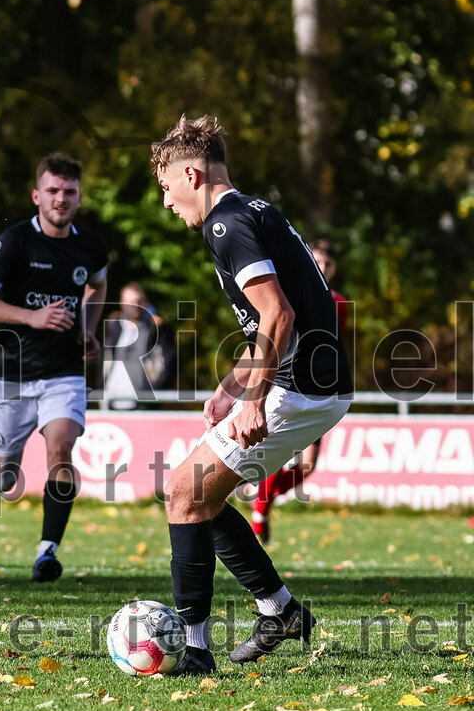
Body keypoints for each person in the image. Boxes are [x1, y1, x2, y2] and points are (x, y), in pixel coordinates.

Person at [150, 115, 352, 675]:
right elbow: (279, 321)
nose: (167, 203)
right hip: (314, 383)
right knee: (202, 495)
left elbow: (277, 315)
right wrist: (230, 388)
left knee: (183, 492)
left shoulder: (225, 224)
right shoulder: (253, 211)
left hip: (300, 388)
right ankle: (279, 611)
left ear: (191, 175)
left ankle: (194, 650)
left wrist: (255, 400)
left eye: (166, 187)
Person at [0, 153, 108, 582]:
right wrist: (31, 317)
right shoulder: (15, 241)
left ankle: (47, 552)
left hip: (64, 371)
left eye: (70, 192)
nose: (61, 199)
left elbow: (98, 283)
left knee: (61, 449)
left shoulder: (90, 246)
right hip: (13, 375)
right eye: (53, 190)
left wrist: (87, 328)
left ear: (79, 197)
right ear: (36, 195)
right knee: (5, 477)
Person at [250, 239, 349, 542]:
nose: (322, 268)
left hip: (319, 385)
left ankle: (262, 500)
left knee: (307, 465)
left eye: (327, 264)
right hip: (289, 381)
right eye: (316, 261)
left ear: (334, 268)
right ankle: (259, 514)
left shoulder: (339, 302)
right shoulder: (289, 293)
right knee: (277, 454)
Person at [102, 282, 177, 409]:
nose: (135, 306)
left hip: (144, 405)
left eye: (138, 301)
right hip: (112, 403)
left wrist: (152, 395)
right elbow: (104, 363)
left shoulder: (157, 328)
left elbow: (170, 365)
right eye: (130, 302)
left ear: (145, 302)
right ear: (122, 303)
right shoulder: (114, 327)